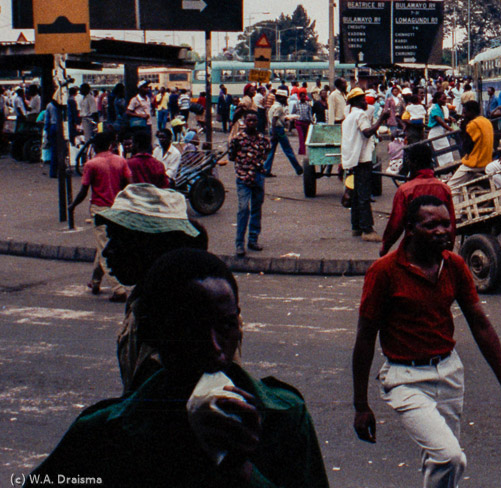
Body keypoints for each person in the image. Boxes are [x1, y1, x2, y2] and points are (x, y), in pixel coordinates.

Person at [35, 249, 329, 487]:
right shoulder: (104, 433)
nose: (216, 349)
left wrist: (240, 470)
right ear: (153, 333)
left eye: (226, 325)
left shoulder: (283, 417)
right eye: (193, 331)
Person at [352, 195, 501, 488]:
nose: (443, 231)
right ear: (410, 228)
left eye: (447, 224)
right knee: (449, 458)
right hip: (405, 379)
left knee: (439, 462)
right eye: (431, 225)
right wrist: (360, 405)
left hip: (449, 376)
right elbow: (365, 338)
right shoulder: (384, 272)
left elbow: (480, 325)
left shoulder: (454, 266)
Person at [93, 183, 208, 393]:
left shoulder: (185, 316)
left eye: (119, 239)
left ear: (152, 246)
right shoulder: (144, 299)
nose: (107, 251)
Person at [70, 129, 133, 300]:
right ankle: (95, 280)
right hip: (118, 208)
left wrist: (73, 205)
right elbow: (129, 185)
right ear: (111, 145)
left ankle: (118, 289)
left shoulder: (92, 164)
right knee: (104, 245)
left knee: (105, 249)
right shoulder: (120, 161)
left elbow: (84, 190)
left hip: (100, 209)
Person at [380, 144, 454, 257]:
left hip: (414, 247)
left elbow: (395, 224)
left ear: (413, 163)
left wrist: (385, 247)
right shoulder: (444, 189)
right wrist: (449, 249)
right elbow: (451, 222)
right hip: (438, 247)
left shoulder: (406, 190)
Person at [342, 88, 386, 242]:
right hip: (362, 160)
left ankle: (356, 227)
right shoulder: (360, 114)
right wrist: (381, 119)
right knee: (364, 195)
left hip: (353, 160)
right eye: (362, 99)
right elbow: (367, 132)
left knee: (356, 195)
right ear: (355, 101)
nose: (364, 102)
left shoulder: (349, 117)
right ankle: (367, 229)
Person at [228, 110, 271, 257]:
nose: (251, 123)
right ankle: (239, 243)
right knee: (243, 209)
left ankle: (253, 239)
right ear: (244, 122)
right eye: (249, 120)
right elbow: (232, 156)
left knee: (256, 209)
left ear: (257, 122)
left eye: (254, 120)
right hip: (243, 178)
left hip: (258, 177)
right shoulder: (237, 139)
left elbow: (265, 154)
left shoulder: (263, 140)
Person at [448, 100, 493, 187]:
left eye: (465, 113)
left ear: (471, 112)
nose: (464, 115)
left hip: (474, 163)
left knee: (451, 186)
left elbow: (466, 147)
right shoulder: (487, 121)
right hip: (487, 161)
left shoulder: (473, 124)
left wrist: (463, 128)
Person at [263, 91, 304, 178]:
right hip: (278, 130)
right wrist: (274, 132)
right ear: (280, 98)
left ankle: (266, 169)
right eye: (285, 98)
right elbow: (274, 119)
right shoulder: (279, 107)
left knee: (271, 151)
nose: (286, 100)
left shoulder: (273, 106)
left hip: (274, 129)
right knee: (288, 150)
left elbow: (272, 119)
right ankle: (298, 168)